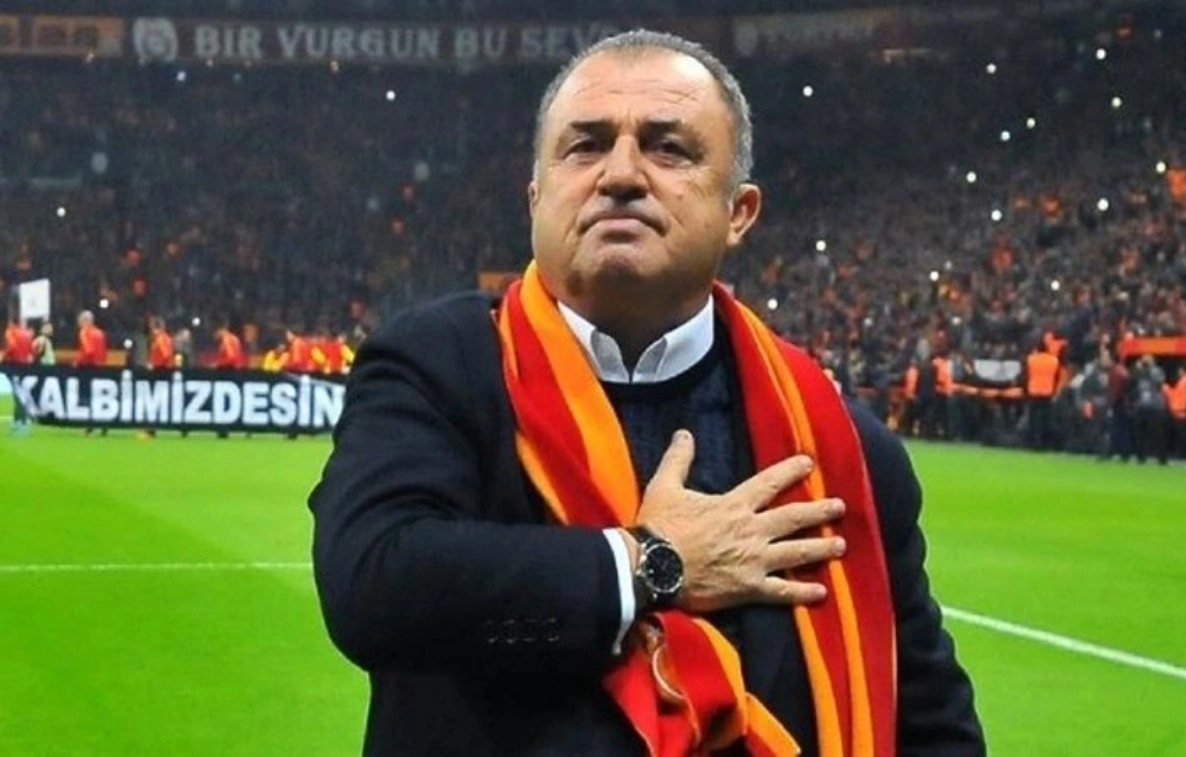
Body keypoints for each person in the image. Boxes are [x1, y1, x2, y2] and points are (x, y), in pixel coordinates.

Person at [309, 31, 982, 757]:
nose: (621, 174)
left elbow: (929, 722)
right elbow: (374, 588)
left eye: (669, 149)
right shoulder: (436, 368)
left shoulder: (836, 446)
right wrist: (650, 562)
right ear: (536, 198)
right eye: (585, 146)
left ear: (739, 212)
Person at [1130, 354, 1169, 464]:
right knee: (1139, 433)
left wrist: (1146, 369)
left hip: (1155, 406)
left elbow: (1159, 382)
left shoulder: (1157, 371)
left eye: (1147, 361)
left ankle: (1162, 458)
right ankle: (1141, 457)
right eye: (1144, 361)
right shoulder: (1138, 372)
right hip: (1141, 405)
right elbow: (1131, 381)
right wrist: (1137, 369)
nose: (1145, 363)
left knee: (1158, 433)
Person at [1024, 341, 1060, 451]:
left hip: (1033, 391)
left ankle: (1034, 443)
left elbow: (1026, 375)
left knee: (1033, 419)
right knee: (1045, 419)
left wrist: (1026, 390)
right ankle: (1045, 443)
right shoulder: (1054, 360)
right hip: (1047, 393)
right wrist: (1054, 390)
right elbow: (1056, 377)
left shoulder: (1031, 359)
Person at [3, 317, 36, 434]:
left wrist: (3, 356)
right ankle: (17, 421)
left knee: (18, 396)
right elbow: (32, 351)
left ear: (11, 324)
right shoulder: (27, 334)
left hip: (14, 366)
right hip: (25, 367)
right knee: (20, 394)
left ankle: (22, 423)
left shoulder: (10, 332)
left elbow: (12, 346)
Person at [1163, 365, 1186, 459]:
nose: (1178, 373)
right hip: (1185, 413)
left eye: (1179, 371)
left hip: (1185, 414)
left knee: (1185, 437)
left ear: (1183, 371)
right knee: (1185, 437)